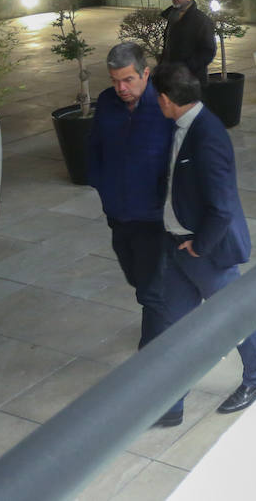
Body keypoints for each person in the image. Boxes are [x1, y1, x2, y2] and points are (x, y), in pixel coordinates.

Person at [149, 63, 256, 427]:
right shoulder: (182, 126)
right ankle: (171, 404)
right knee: (174, 326)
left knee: (235, 317)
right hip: (177, 244)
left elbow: (222, 206)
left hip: (205, 252)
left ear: (168, 100)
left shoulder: (208, 135)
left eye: (158, 99)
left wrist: (199, 247)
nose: (157, 104)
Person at [87, 43, 174, 352]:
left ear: (145, 74)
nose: (120, 88)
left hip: (151, 216)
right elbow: (95, 147)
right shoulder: (107, 102)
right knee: (135, 278)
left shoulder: (163, 106)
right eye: (114, 80)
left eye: (127, 80)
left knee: (150, 291)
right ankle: (170, 306)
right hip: (117, 212)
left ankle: (151, 356)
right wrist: (101, 186)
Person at [160, 0, 216, 85]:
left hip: (192, 81)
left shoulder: (201, 21)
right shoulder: (172, 16)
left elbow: (208, 51)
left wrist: (185, 68)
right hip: (170, 78)